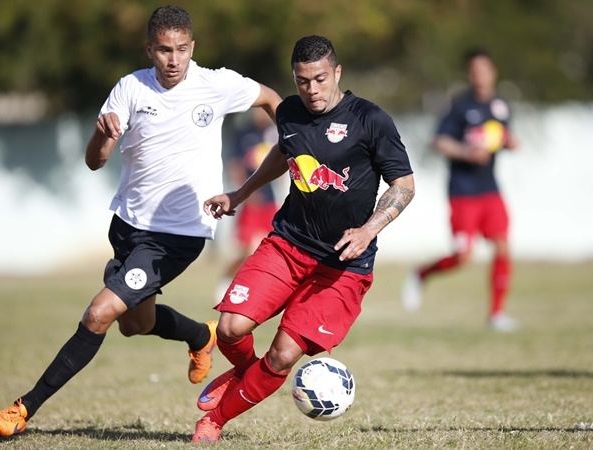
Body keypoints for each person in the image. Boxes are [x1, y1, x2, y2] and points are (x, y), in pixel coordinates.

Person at [0, 5, 282, 438]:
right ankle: (201, 336)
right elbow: (94, 160)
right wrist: (102, 136)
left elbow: (271, 98)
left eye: (181, 49)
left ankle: (23, 409)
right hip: (128, 226)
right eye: (164, 50)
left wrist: (296, 140)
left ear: (192, 47)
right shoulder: (130, 89)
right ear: (149, 49)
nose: (174, 59)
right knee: (134, 324)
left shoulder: (215, 84)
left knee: (99, 314)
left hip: (178, 235)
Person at [191, 35, 415, 443]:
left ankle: (215, 421)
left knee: (281, 355)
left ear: (337, 73)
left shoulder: (371, 119)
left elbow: (404, 185)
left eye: (320, 79)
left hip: (342, 267)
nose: (311, 90)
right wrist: (239, 194)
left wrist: (369, 230)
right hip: (288, 244)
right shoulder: (290, 113)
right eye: (302, 81)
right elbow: (284, 151)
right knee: (229, 329)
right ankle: (243, 372)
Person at [400, 48, 519, 332]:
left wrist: (509, 142)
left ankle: (497, 314)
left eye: (484, 70)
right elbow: (439, 141)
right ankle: (421, 274)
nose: (480, 76)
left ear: (493, 73)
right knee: (463, 256)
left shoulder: (501, 106)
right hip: (463, 191)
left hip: (490, 189)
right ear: (470, 74)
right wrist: (466, 152)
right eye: (474, 71)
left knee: (502, 246)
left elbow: (503, 137)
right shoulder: (460, 107)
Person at [215, 108, 280, 302]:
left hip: (270, 201)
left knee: (272, 248)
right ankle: (225, 281)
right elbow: (235, 166)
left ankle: (260, 290)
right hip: (252, 201)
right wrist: (245, 193)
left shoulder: (273, 133)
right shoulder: (243, 134)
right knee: (246, 250)